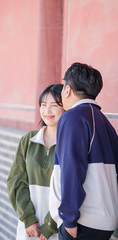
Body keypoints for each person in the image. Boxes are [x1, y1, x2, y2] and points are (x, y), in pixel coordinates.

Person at [49, 62, 118, 240]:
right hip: (105, 220)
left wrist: (69, 219)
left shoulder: (73, 117)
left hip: (83, 222)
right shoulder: (105, 123)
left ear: (68, 90)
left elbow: (71, 170)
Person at [7, 84, 64, 240]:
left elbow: (71, 189)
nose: (47, 111)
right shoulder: (29, 140)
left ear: (66, 108)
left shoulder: (69, 144)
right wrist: (28, 218)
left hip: (58, 228)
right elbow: (15, 181)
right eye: (43, 105)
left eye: (54, 105)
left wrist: (49, 225)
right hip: (29, 228)